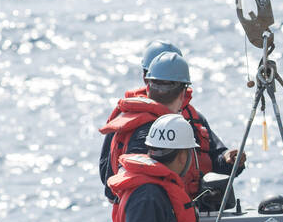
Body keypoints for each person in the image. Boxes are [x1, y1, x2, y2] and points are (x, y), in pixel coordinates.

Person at [101, 51, 245, 202]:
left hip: (160, 215)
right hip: (164, 218)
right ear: (183, 92)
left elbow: (113, 187)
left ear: (148, 85)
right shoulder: (153, 131)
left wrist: (227, 160)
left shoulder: (128, 122)